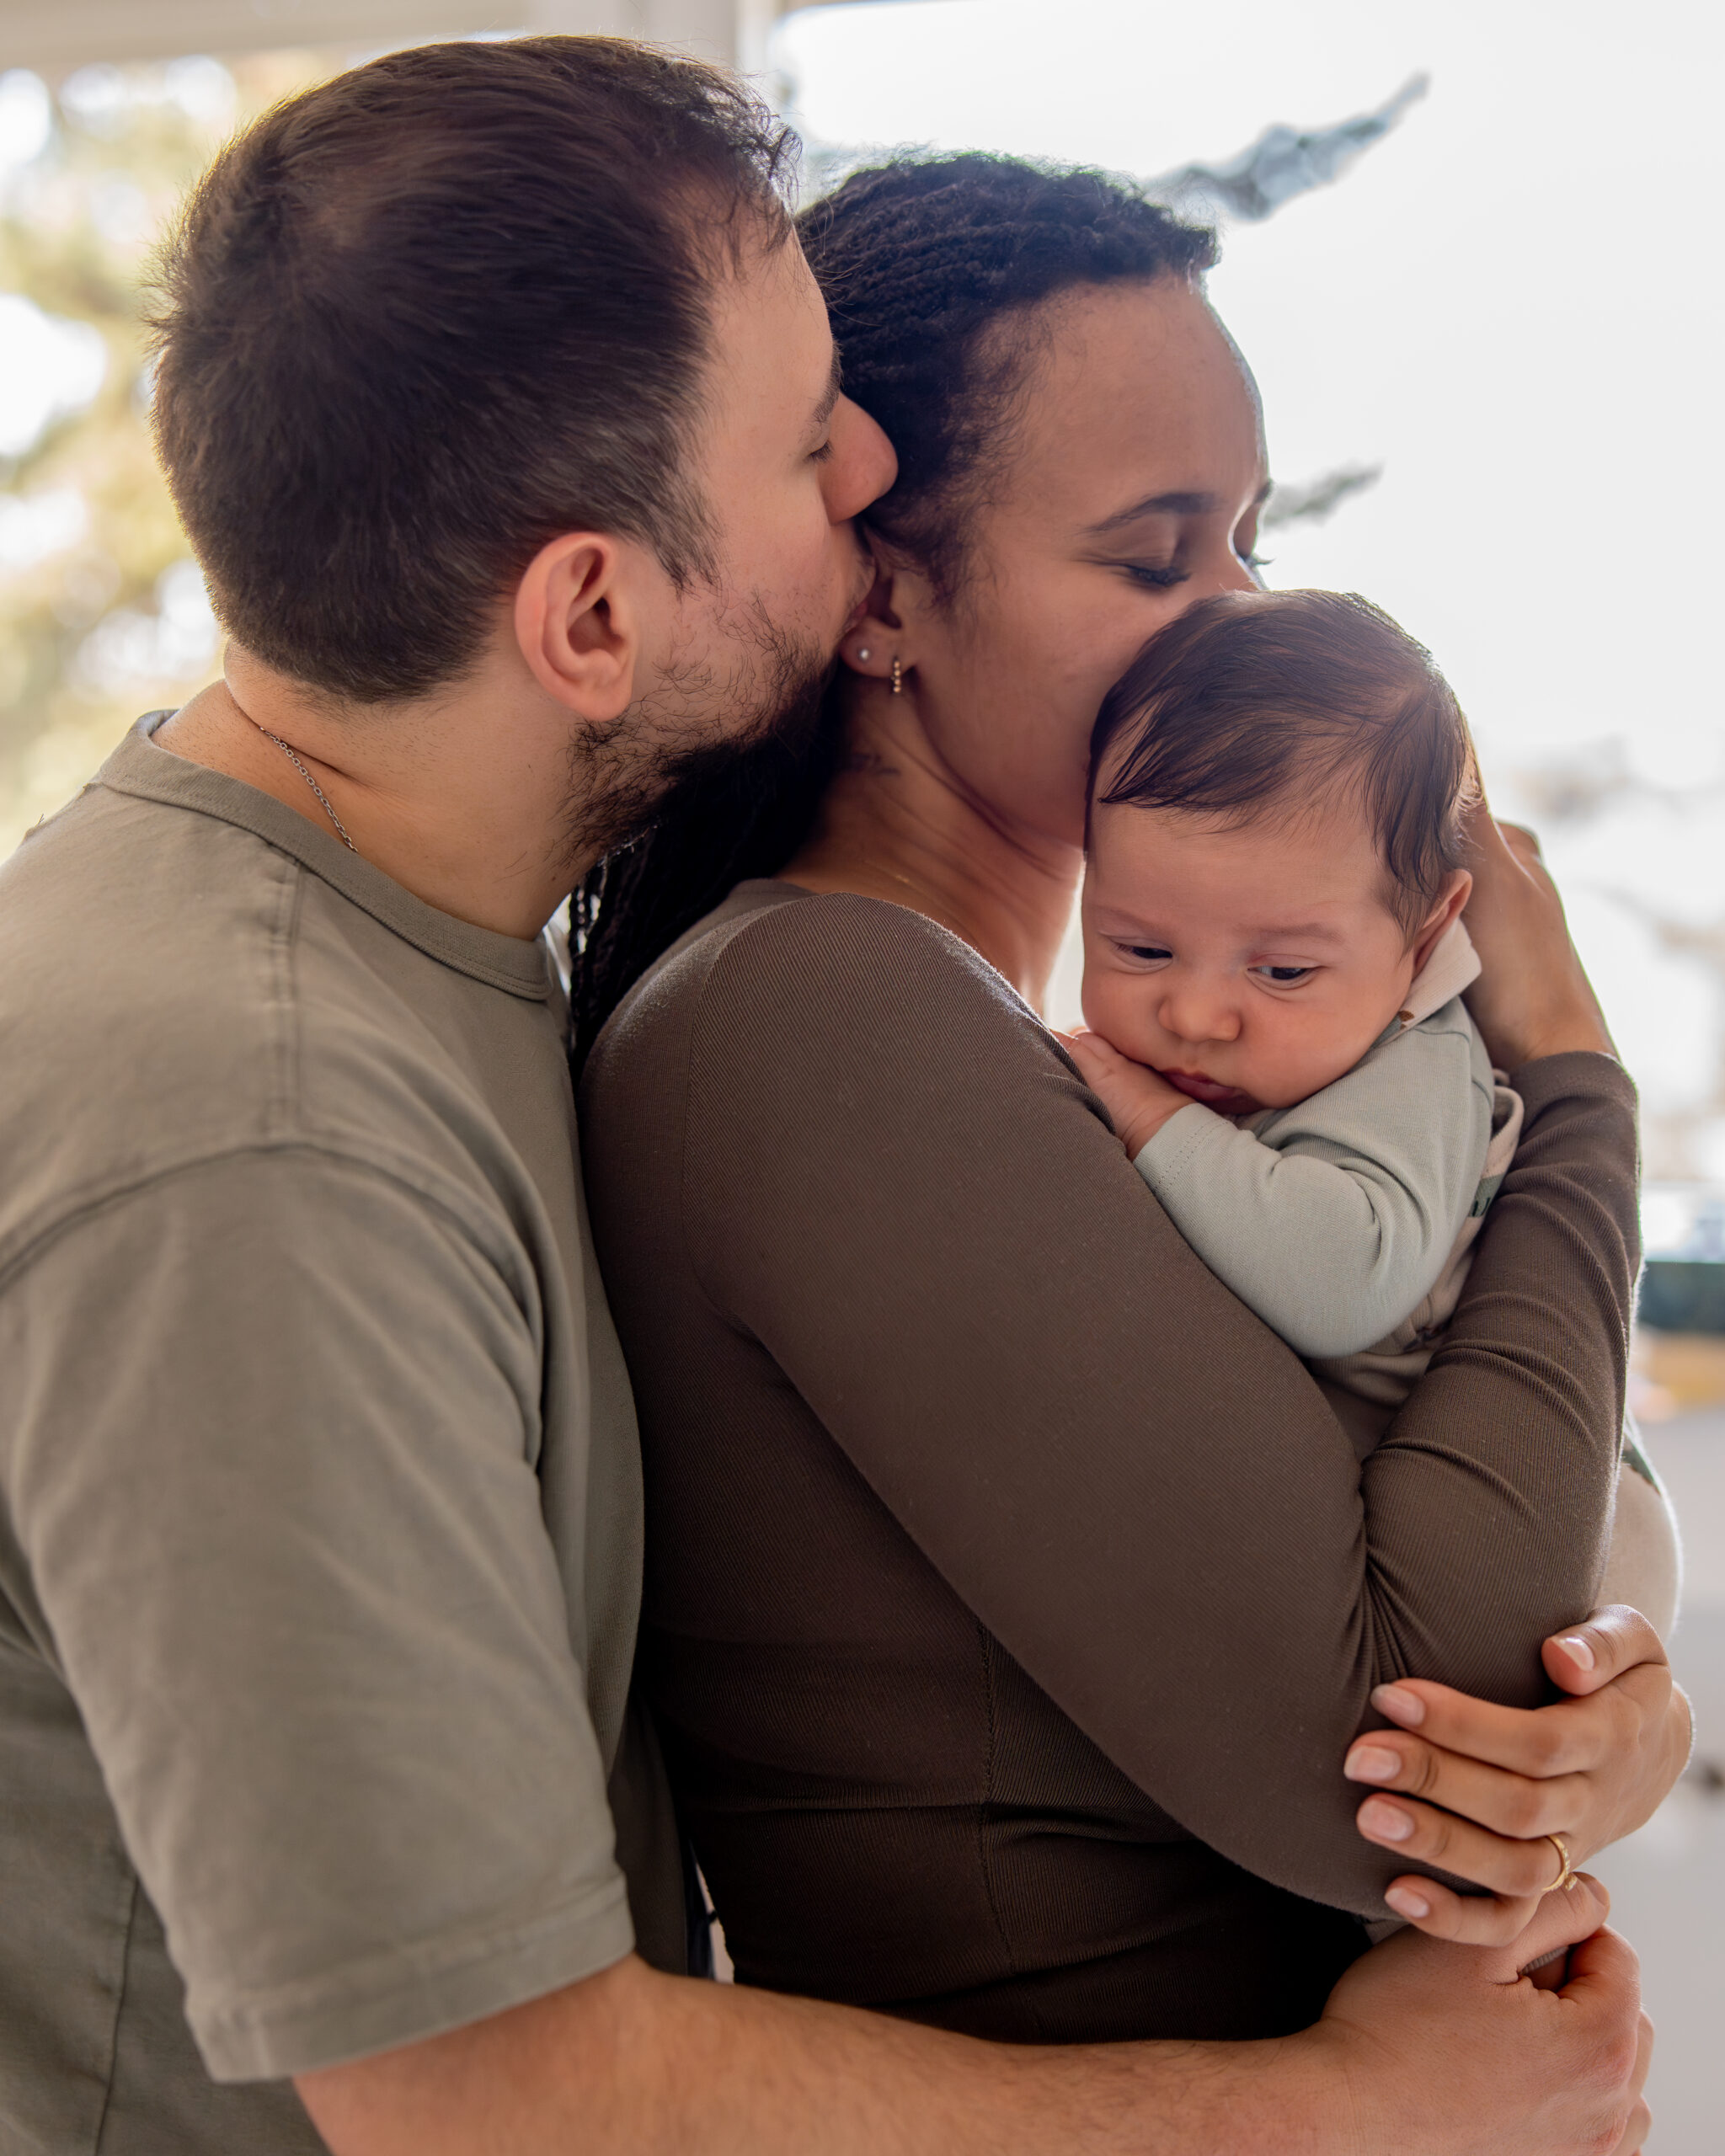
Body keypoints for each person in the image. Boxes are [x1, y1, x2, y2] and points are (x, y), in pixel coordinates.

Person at [0, 45, 1656, 2156]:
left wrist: (1611, 1693)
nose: (866, 465)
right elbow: (477, 2080)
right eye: (809, 451)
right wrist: (1335, 2107)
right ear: (594, 608)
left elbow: (1404, 1541)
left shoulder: (436, 983)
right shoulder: (265, 1111)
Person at [574, 148, 1688, 2097]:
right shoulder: (824, 1014)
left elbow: (1504, 1504)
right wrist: (1575, 1081)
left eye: (1246, 540)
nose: (1232, 618)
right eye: (1154, 556)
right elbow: (1407, 1739)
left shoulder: (1031, 1045)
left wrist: (1626, 1710)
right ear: (880, 593)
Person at [1066, 589, 1677, 1633]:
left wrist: (1142, 1113)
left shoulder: (1414, 1062)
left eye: (1283, 970)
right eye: (1139, 947)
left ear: (1425, 932)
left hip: (1589, 1514)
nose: (1195, 1014)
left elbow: (1339, 1281)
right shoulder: (1292, 1041)